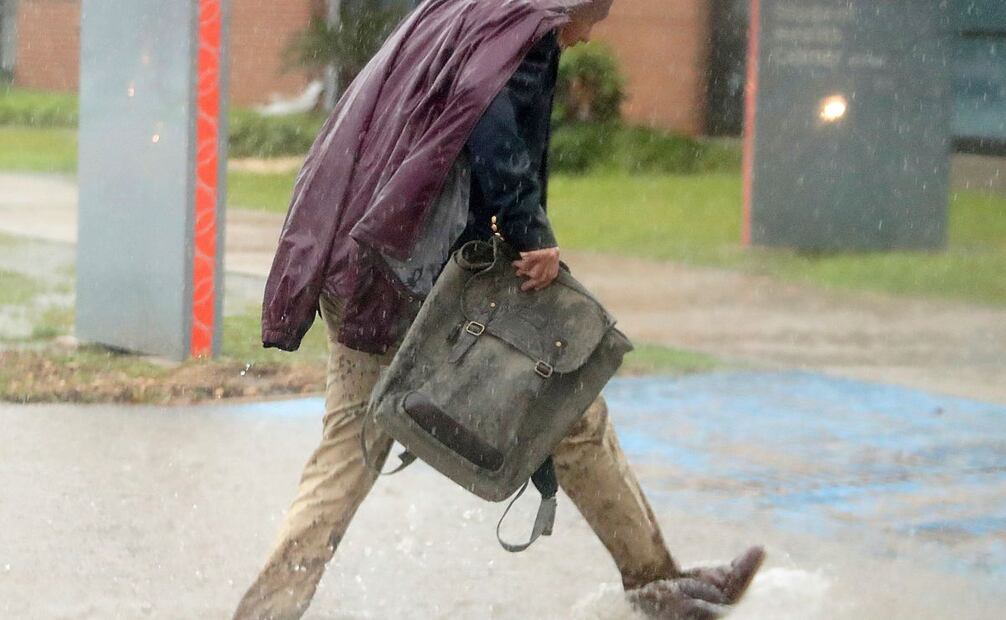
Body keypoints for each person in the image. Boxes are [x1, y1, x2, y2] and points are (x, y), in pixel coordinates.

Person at [237, 1, 764, 618]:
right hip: (413, 278)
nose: (588, 37)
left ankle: (658, 584)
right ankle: (657, 585)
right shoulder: (522, 27)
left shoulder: (463, 13)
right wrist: (530, 228)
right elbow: (483, 114)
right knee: (562, 405)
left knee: (361, 451)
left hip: (363, 261)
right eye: (593, 18)